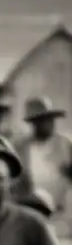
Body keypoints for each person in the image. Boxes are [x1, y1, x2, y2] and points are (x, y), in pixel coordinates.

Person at [13, 96, 72, 236]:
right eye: (42, 120)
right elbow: (17, 183)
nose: (48, 123)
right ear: (33, 123)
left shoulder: (65, 144)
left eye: (50, 119)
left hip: (65, 209)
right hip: (36, 208)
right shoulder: (22, 148)